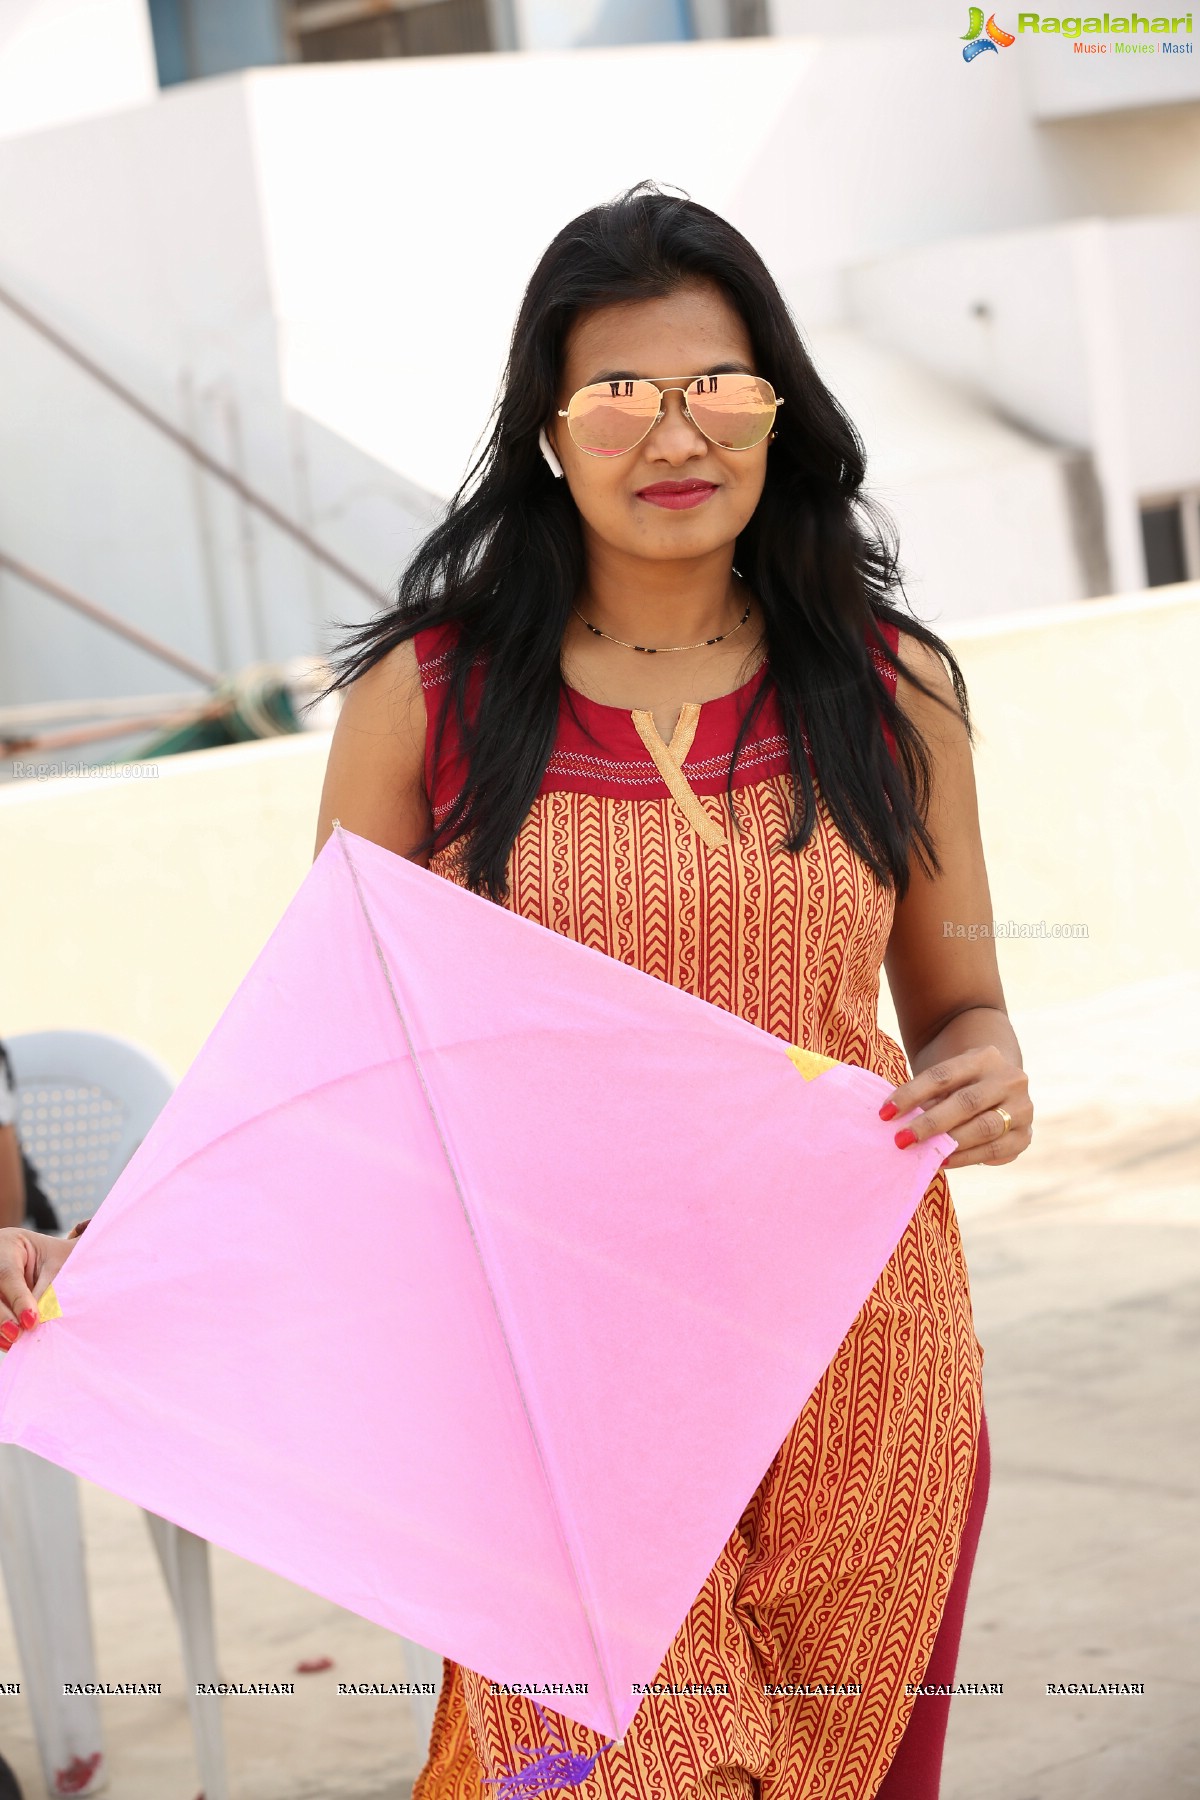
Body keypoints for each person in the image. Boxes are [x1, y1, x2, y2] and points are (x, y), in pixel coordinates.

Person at [310, 184, 1031, 1800]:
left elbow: (961, 1009)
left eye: (718, 386)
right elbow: (324, 1067)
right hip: (550, 1402)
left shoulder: (890, 687)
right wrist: (102, 1261)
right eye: (620, 395)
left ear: (780, 408)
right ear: (551, 436)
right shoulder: (425, 704)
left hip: (868, 1369)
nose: (674, 432)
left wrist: (992, 1072)